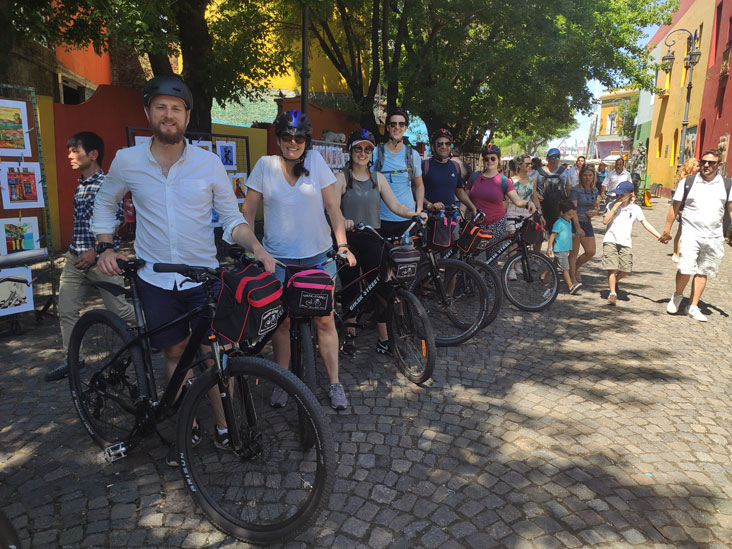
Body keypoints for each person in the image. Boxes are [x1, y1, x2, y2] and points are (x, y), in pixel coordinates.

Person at [93, 75, 274, 466]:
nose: (168, 114)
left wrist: (256, 246)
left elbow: (230, 218)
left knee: (216, 352)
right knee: (175, 350)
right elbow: (105, 203)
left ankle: (224, 425)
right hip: (154, 276)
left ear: (187, 115)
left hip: (203, 276)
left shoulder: (209, 164)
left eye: (176, 108)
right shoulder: (127, 160)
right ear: (148, 112)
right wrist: (105, 245)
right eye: (160, 107)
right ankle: (184, 421)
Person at [242, 110, 356, 409]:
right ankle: (282, 378)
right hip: (278, 261)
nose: (293, 142)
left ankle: (334, 383)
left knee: (325, 320)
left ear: (306, 140)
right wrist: (254, 247)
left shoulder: (316, 163)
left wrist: (342, 245)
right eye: (286, 137)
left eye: (299, 137)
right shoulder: (264, 166)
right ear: (278, 139)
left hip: (318, 257)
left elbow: (333, 209)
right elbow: (248, 212)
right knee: (282, 322)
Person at [44, 132, 136, 382]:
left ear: (93, 154)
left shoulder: (107, 184)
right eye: (70, 150)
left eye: (75, 150)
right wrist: (78, 251)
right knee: (66, 309)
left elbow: (117, 223)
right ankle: (74, 361)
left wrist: (95, 250)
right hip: (76, 258)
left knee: (119, 309)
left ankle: (157, 333)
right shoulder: (81, 185)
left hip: (101, 259)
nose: (69, 156)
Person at [335, 129, 423, 356]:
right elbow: (332, 209)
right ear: (350, 150)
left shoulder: (378, 178)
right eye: (358, 148)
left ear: (372, 152)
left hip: (373, 238)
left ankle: (384, 340)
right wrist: (343, 221)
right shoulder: (341, 178)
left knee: (382, 288)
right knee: (351, 288)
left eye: (367, 149)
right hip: (349, 240)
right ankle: (350, 336)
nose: (362, 153)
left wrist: (414, 214)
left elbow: (395, 205)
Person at [661, 149, 732, 322]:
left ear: (719, 165)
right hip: (691, 233)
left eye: (711, 163)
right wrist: (667, 229)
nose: (706, 165)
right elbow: (674, 207)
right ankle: (677, 296)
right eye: (704, 162)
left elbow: (730, 208)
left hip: (714, 235)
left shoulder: (727, 184)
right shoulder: (688, 182)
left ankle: (693, 306)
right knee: (686, 268)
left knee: (703, 270)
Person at [601, 181, 664, 306]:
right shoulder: (611, 205)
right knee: (612, 267)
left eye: (621, 195)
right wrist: (615, 207)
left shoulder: (635, 208)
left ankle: (614, 281)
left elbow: (645, 223)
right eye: (617, 194)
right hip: (610, 239)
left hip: (625, 241)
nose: (618, 197)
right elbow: (604, 221)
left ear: (630, 194)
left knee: (626, 269)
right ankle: (612, 293)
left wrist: (659, 236)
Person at [465, 144, 536, 243]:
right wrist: (461, 213)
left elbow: (517, 200)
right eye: (486, 159)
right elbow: (464, 197)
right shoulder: (474, 177)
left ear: (498, 160)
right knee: (470, 256)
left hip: (496, 224)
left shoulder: (504, 181)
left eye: (493, 158)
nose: (489, 161)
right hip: (476, 224)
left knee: (493, 257)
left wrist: (528, 203)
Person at [372, 107, 425, 237]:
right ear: (388, 128)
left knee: (406, 257)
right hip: (381, 218)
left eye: (401, 124)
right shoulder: (375, 153)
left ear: (406, 128)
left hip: (407, 219)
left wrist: (418, 211)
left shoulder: (413, 155)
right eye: (393, 124)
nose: (397, 127)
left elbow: (419, 185)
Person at [421, 128, 477, 216]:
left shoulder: (455, 166)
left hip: (450, 218)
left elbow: (459, 191)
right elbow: (414, 190)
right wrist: (429, 205)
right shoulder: (424, 165)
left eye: (447, 144)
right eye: (440, 144)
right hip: (429, 218)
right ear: (432, 147)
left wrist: (472, 207)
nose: (444, 146)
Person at [533, 148, 575, 246]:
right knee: (539, 237)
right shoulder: (538, 172)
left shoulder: (564, 171)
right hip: (542, 209)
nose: (555, 159)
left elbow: (568, 188)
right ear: (547, 159)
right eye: (552, 157)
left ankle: (557, 259)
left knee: (558, 236)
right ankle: (536, 258)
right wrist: (537, 196)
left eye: (557, 157)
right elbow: (533, 188)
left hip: (558, 209)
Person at [568, 165, 600, 283]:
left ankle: (574, 269)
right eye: (585, 175)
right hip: (576, 222)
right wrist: (577, 227)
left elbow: (596, 207)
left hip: (587, 222)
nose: (587, 178)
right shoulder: (576, 190)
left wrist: (596, 212)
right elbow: (573, 210)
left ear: (593, 176)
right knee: (573, 253)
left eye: (590, 175)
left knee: (591, 251)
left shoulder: (594, 190)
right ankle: (572, 278)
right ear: (581, 176)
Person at [668, 157, 700, 263]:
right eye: (697, 166)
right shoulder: (686, 180)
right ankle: (676, 252)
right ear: (691, 167)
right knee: (681, 230)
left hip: (695, 210)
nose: (699, 168)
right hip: (684, 208)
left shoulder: (699, 179)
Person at [546, 200, 581, 294]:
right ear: (562, 213)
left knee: (555, 264)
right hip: (560, 249)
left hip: (565, 249)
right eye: (569, 214)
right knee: (565, 268)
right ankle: (570, 286)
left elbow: (566, 233)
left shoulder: (568, 222)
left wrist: (574, 235)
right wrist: (549, 248)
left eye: (573, 214)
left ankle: (543, 275)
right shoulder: (558, 223)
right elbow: (553, 236)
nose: (571, 216)